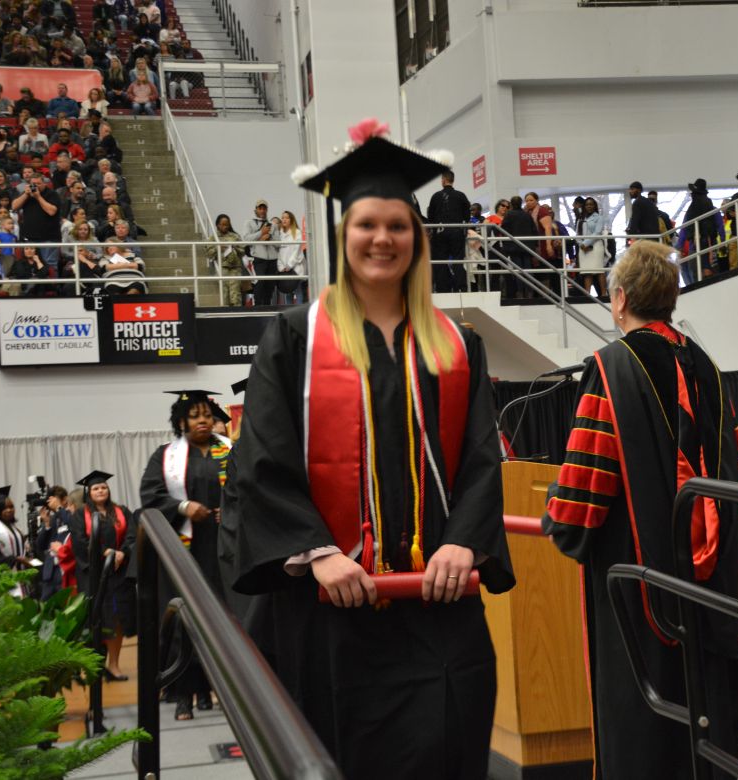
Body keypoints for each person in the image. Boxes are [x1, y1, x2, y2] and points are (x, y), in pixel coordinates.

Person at [221, 124, 515, 779]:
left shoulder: (456, 346)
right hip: (331, 617)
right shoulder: (294, 339)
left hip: (437, 611)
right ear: (343, 236)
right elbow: (261, 461)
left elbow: (481, 460)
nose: (383, 239)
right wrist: (318, 553)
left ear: (418, 238)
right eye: (367, 225)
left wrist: (464, 543)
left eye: (398, 226)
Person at [542, 240, 738, 780]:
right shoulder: (707, 365)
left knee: (648, 728)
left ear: (619, 299)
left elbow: (582, 494)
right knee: (704, 721)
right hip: (711, 590)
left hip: (639, 588)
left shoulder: (612, 369)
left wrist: (555, 516)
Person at [141, 390, 234, 720]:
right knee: (185, 621)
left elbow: (249, 490)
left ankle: (215, 690)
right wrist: (182, 506)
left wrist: (231, 511)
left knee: (224, 620)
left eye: (207, 415)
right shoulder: (166, 456)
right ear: (182, 422)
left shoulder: (230, 452)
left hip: (224, 553)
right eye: (195, 416)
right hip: (184, 552)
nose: (203, 421)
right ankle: (183, 694)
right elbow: (150, 496)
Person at [60, 471, 137, 680]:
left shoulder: (121, 511)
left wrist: (123, 552)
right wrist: (104, 552)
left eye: (103, 487)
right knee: (95, 619)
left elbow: (132, 534)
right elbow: (79, 541)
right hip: (93, 575)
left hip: (119, 573)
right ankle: (92, 666)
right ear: (89, 493)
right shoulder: (80, 515)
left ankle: (114, 665)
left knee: (117, 619)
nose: (101, 490)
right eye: (96, 488)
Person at [426, 169, 471, 293]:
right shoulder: (461, 196)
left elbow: (430, 217)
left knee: (440, 261)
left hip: (440, 233)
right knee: (458, 260)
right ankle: (460, 288)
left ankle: (443, 289)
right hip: (457, 232)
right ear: (452, 180)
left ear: (443, 180)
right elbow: (467, 216)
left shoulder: (436, 196)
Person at [243, 199, 278, 306]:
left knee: (270, 286)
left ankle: (268, 307)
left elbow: (279, 244)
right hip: (258, 259)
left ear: (267, 210)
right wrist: (260, 233)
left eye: (264, 208)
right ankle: (257, 307)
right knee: (259, 284)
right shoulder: (248, 223)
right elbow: (245, 240)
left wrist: (270, 237)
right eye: (260, 208)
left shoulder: (273, 225)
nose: (262, 210)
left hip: (273, 259)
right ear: (256, 210)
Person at [206, 213, 244, 306]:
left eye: (227, 224)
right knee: (224, 294)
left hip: (235, 268)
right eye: (223, 224)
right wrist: (218, 247)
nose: (225, 226)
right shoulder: (213, 238)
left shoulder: (235, 236)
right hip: (222, 268)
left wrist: (234, 247)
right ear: (218, 225)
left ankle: (236, 311)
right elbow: (209, 253)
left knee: (235, 294)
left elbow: (243, 251)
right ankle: (225, 311)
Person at [575, 196, 608, 297]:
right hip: (583, 248)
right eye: (587, 204)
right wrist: (581, 244)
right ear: (584, 206)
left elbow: (597, 232)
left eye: (591, 204)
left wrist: (586, 243)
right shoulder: (580, 219)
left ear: (595, 206)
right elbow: (577, 234)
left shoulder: (599, 218)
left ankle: (604, 295)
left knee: (599, 270)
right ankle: (587, 295)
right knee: (587, 272)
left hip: (596, 246)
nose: (589, 206)